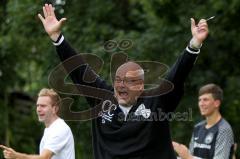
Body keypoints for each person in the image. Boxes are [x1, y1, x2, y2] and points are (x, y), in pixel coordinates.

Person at [38, 3, 209, 159]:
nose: (120, 85)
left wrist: (194, 44)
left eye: (128, 81)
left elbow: (177, 75)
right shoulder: (102, 100)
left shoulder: (157, 102)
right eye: (118, 80)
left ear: (140, 86)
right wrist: (57, 37)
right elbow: (78, 69)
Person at [0, 88, 75, 159]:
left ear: (55, 109)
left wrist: (17, 155)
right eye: (37, 105)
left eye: (43, 106)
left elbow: (44, 157)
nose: (38, 109)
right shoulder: (51, 128)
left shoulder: (60, 129)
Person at [173, 83, 234, 159]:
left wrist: (189, 157)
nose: (201, 104)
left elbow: (190, 158)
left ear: (216, 103)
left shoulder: (224, 129)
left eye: (205, 100)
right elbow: (190, 156)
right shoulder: (198, 127)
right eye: (199, 100)